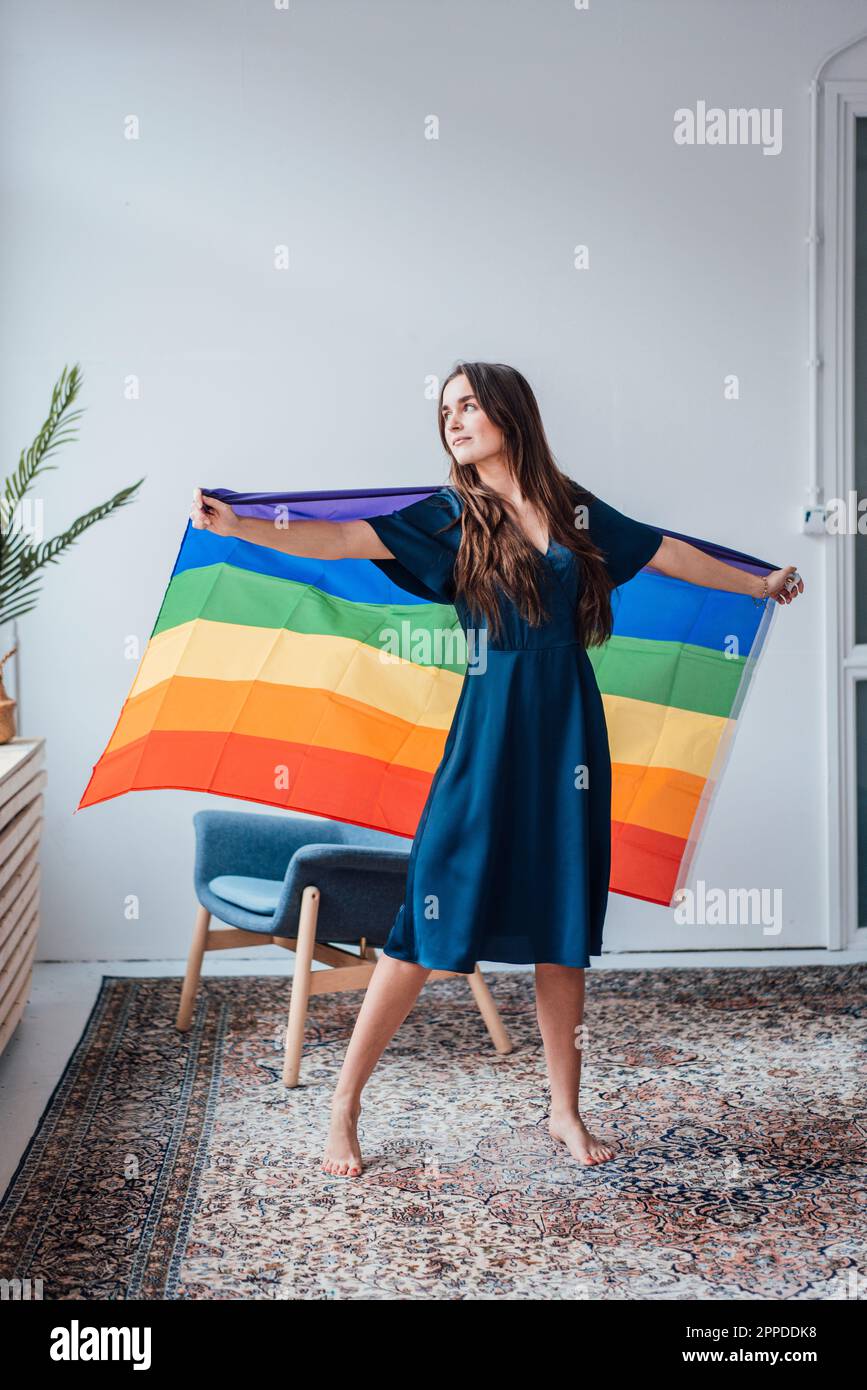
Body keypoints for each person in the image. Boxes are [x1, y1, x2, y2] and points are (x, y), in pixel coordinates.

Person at [189, 360, 804, 1177]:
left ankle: (564, 1112)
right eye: (445, 409)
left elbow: (664, 554)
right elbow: (339, 539)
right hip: (486, 735)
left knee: (561, 931)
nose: (453, 419)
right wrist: (242, 530)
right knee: (421, 930)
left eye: (469, 404)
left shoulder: (570, 506)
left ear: (509, 414)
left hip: (567, 734)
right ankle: (344, 1105)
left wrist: (757, 582)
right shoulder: (450, 516)